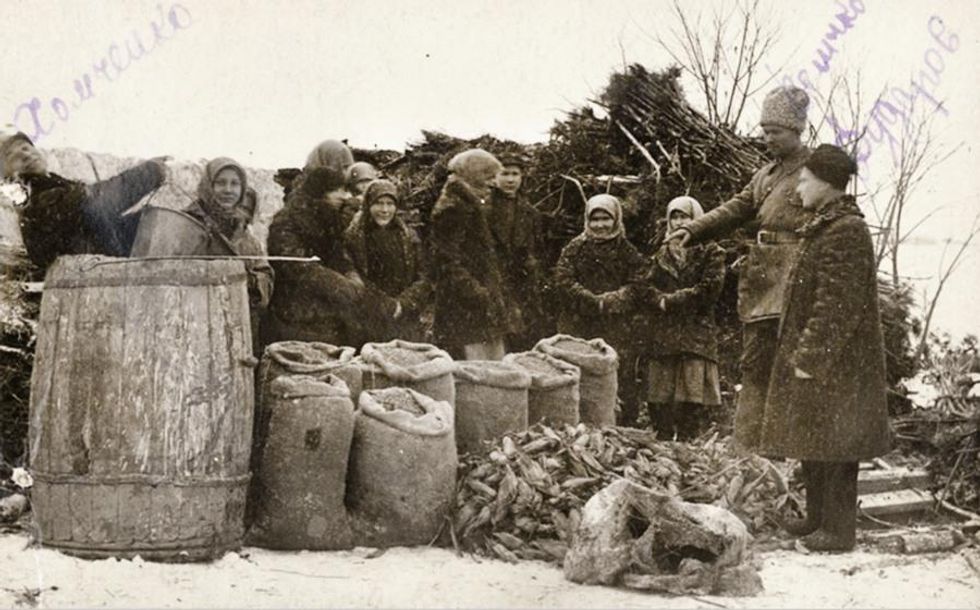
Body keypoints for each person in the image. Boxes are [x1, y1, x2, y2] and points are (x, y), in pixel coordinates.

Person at [665, 85, 813, 452]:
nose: (767, 139)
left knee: (790, 366)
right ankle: (746, 447)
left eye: (775, 132)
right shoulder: (764, 175)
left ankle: (788, 447)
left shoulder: (814, 172)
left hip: (797, 279)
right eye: (764, 131)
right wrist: (693, 229)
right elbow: (735, 209)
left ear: (796, 131)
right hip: (763, 281)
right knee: (755, 364)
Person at [761, 144, 890, 551]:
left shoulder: (846, 230)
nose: (798, 186)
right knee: (815, 439)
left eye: (803, 179)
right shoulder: (826, 224)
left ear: (826, 184)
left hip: (840, 364)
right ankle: (817, 519)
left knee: (838, 446)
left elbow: (836, 304)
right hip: (826, 360)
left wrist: (811, 356)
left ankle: (838, 531)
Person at [0, 131, 169, 276]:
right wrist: (150, 172)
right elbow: (96, 202)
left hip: (100, 265)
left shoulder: (54, 187)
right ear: (7, 174)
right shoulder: (38, 200)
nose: (25, 154)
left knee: (155, 221)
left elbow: (93, 222)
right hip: (93, 274)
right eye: (12, 156)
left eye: (25, 147)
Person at [553, 194, 647, 426]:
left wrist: (614, 299)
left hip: (615, 324)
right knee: (578, 370)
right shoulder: (575, 248)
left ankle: (622, 425)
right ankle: (579, 424)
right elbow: (563, 281)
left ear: (615, 219)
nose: (600, 225)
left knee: (617, 372)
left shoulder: (627, 250)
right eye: (595, 219)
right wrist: (592, 300)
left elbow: (639, 283)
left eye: (606, 219)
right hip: (579, 322)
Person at [641, 196, 725, 440]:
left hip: (695, 331)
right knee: (661, 397)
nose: (678, 222)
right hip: (664, 332)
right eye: (674, 217)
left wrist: (672, 300)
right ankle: (663, 451)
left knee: (691, 396)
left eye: (684, 217)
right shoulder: (661, 253)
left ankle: (689, 449)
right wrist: (657, 299)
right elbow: (645, 286)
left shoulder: (711, 251)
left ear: (696, 219)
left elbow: (710, 288)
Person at [264, 162, 364, 347]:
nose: (344, 196)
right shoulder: (287, 222)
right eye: (338, 190)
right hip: (294, 318)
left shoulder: (328, 218)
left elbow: (337, 253)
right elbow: (297, 266)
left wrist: (351, 273)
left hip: (327, 314)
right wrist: (340, 285)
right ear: (320, 192)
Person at [182, 158, 274, 352]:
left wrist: (251, 282)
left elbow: (265, 274)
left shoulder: (245, 234)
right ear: (208, 185)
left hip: (239, 328)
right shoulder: (187, 223)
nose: (228, 190)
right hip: (196, 327)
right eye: (220, 182)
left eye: (235, 184)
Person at [429, 149, 509, 360]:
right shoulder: (453, 208)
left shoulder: (469, 204)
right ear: (473, 177)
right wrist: (477, 292)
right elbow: (447, 261)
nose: (493, 183)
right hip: (465, 304)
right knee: (473, 366)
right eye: (488, 177)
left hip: (476, 300)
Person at [343, 178, 430, 342]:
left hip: (406, 317)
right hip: (369, 317)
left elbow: (424, 276)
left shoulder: (408, 236)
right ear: (368, 205)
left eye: (390, 204)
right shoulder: (354, 237)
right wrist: (384, 305)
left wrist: (404, 303)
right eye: (379, 203)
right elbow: (354, 276)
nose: (384, 210)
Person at [488, 151, 545, 352]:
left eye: (515, 174)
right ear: (494, 177)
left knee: (524, 337)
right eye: (504, 173)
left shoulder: (530, 212)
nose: (510, 179)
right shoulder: (483, 209)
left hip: (522, 284)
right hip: (493, 281)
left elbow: (536, 249)